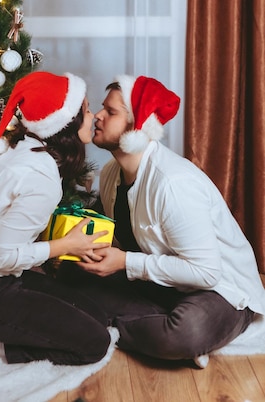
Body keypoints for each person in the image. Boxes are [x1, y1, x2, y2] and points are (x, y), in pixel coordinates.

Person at [57, 74, 265, 368]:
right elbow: (120, 240)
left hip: (217, 290)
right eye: (102, 108)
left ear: (137, 126)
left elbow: (206, 273)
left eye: (111, 112)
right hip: (161, 280)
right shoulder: (110, 174)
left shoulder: (172, 184)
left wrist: (125, 263)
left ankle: (167, 333)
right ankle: (155, 324)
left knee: (183, 333)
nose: (98, 117)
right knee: (71, 273)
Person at [0, 70, 113, 366]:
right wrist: (66, 245)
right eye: (85, 110)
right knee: (95, 344)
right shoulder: (39, 178)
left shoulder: (28, 152)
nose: (93, 115)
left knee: (96, 315)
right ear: (66, 124)